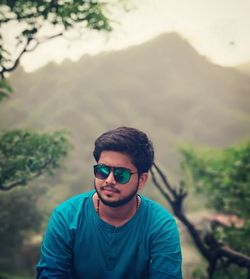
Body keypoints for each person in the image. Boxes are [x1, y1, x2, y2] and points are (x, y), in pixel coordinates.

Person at [36, 127, 182, 278]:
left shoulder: (160, 225)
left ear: (142, 180)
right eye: (102, 171)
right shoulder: (66, 217)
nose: (109, 180)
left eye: (121, 174)